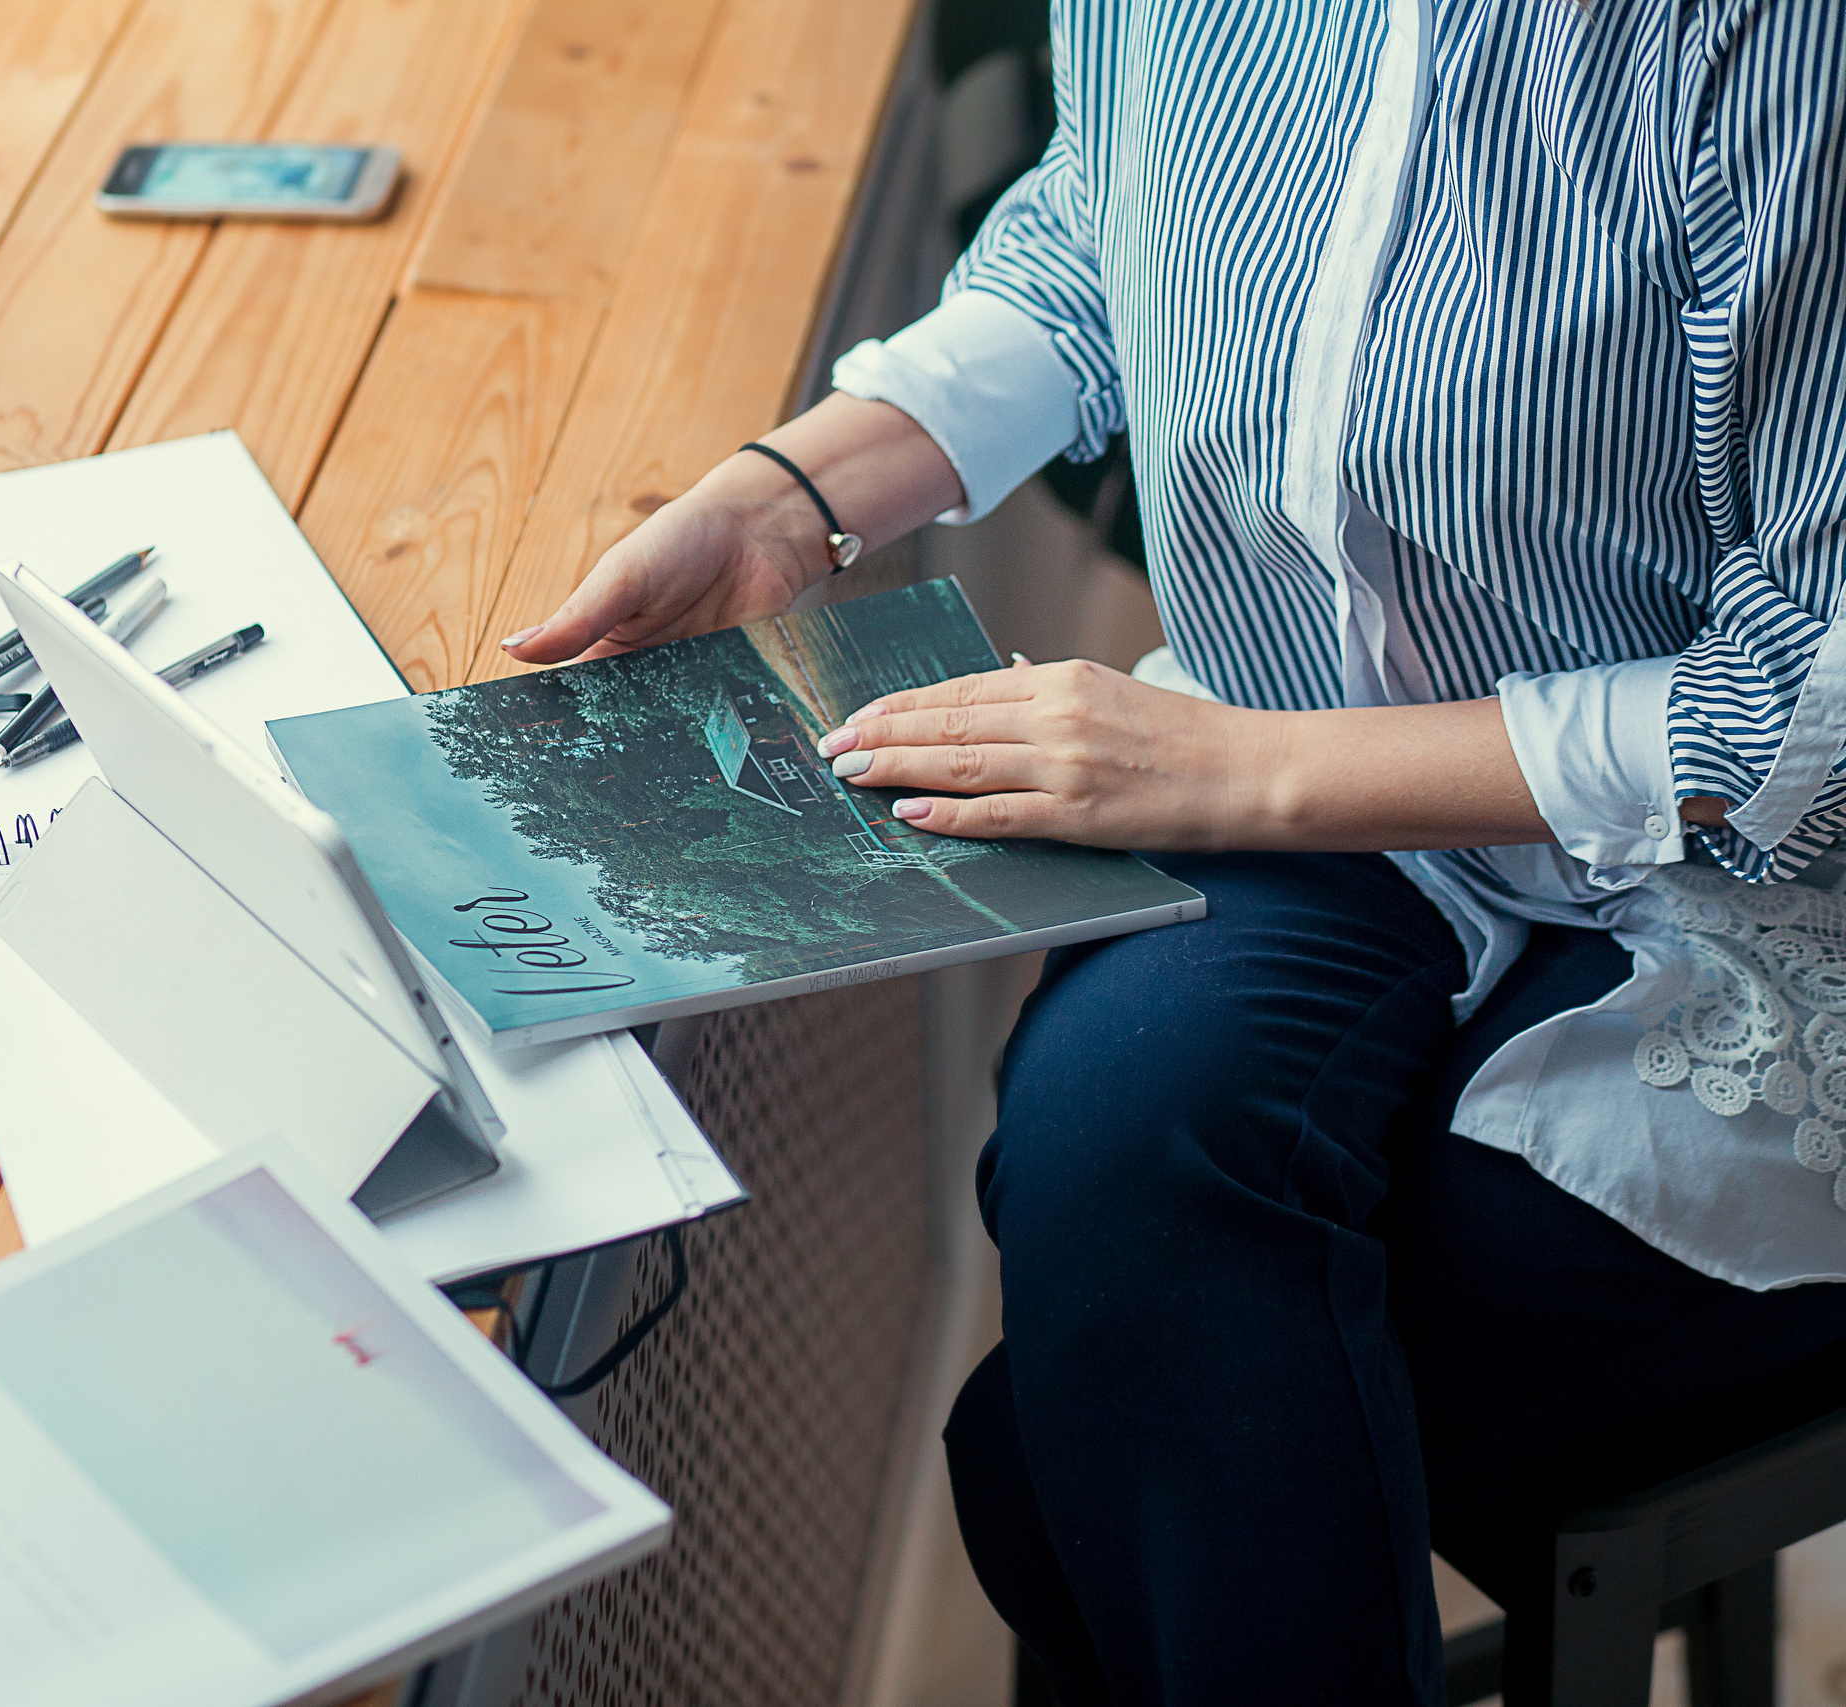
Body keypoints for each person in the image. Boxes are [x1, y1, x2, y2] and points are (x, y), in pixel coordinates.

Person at [501, 0, 1846, 1700]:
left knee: (1056, 1470)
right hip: (1273, 751)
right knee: (1109, 1167)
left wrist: (1239, 773)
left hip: (1759, 882)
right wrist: (798, 492)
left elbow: (1804, 707)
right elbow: (1099, 226)